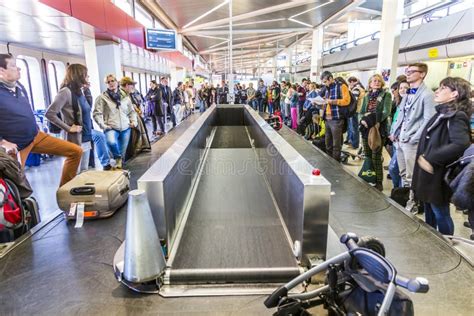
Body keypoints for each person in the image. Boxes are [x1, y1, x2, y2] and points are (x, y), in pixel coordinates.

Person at [0, 53, 82, 186]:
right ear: (1, 70)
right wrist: (2, 142)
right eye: (14, 66)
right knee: (17, 184)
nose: (18, 69)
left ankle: (65, 190)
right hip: (18, 144)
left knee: (75, 151)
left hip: (36, 136)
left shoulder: (19, 86)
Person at [412, 77, 471, 235]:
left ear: (455, 94)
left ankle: (446, 243)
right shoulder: (442, 112)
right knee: (430, 209)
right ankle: (431, 237)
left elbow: (461, 143)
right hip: (429, 172)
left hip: (439, 173)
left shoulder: (457, 116)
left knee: (440, 212)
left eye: (442, 88)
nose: (436, 91)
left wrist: (431, 158)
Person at [390, 63, 436, 213]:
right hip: (400, 140)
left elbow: (428, 120)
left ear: (422, 74)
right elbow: (401, 114)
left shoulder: (427, 94)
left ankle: (413, 206)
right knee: (403, 173)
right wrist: (395, 132)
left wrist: (414, 138)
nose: (408, 74)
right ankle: (406, 200)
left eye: (412, 72)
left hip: (411, 142)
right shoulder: (409, 92)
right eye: (407, 71)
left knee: (411, 176)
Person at [45, 64, 92, 173]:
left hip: (85, 136)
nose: (88, 77)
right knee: (73, 172)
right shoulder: (65, 92)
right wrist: (68, 128)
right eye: (86, 75)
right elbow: (50, 113)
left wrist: (87, 91)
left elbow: (88, 108)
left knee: (84, 171)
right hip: (74, 138)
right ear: (79, 75)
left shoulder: (80, 91)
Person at [93, 74, 137, 169]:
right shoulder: (102, 97)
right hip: (111, 127)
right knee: (111, 142)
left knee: (122, 151)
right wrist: (103, 125)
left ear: (117, 82)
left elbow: (131, 112)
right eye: (108, 82)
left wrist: (134, 122)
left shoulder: (125, 97)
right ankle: (117, 159)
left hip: (126, 127)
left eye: (112, 81)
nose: (111, 83)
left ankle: (120, 171)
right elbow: (97, 113)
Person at [359, 74, 392, 191]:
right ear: (370, 83)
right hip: (365, 128)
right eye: (374, 81)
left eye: (378, 81)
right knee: (367, 155)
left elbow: (386, 112)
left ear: (382, 83)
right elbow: (361, 112)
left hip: (378, 129)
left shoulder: (386, 95)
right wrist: (363, 120)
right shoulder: (367, 96)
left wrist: (372, 120)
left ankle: (378, 181)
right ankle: (369, 176)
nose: (376, 82)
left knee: (376, 156)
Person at [319, 71, 351, 162]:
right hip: (327, 119)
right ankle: (329, 162)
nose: (324, 84)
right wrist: (319, 102)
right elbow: (325, 101)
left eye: (325, 81)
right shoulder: (326, 88)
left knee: (336, 144)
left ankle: (335, 164)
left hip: (336, 119)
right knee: (327, 143)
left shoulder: (342, 86)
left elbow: (346, 101)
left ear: (330, 78)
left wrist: (332, 101)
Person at [122, 77, 150, 159]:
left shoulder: (127, 94)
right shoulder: (122, 95)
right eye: (132, 85)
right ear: (127, 85)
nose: (133, 87)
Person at [388, 80, 409, 188]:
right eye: (401, 88)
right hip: (395, 140)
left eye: (406, 87)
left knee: (394, 168)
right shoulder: (399, 103)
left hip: (403, 141)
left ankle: (399, 191)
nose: (403, 90)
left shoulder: (410, 104)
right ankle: (398, 190)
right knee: (398, 169)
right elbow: (396, 121)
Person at [347, 77, 365, 149]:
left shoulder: (356, 89)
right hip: (358, 110)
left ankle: (354, 144)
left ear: (352, 82)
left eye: (349, 83)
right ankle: (353, 142)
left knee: (354, 128)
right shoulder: (361, 88)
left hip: (354, 111)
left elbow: (353, 100)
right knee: (355, 128)